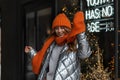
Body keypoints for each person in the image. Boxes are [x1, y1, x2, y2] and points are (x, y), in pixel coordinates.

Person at [25, 11, 91, 80]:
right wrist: (31, 52)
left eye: (62, 28)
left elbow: (84, 55)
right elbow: (43, 63)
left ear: (67, 28)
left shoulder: (73, 42)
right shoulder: (51, 44)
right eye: (57, 28)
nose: (59, 31)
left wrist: (80, 33)